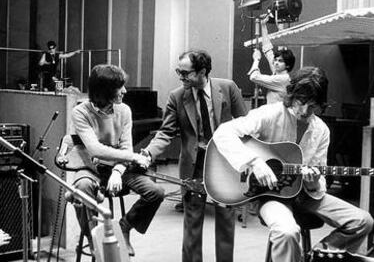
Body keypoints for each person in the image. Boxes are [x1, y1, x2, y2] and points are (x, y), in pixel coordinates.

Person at [213, 66, 374, 262]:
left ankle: (320, 256)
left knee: (362, 221)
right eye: (301, 102)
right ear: (292, 96)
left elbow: (318, 179)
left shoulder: (321, 131)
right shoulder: (270, 114)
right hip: (269, 195)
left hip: (304, 195)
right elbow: (223, 132)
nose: (305, 111)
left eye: (313, 105)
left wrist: (313, 181)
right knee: (287, 231)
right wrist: (254, 162)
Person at [141, 49, 247, 262]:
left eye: (185, 73)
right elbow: (165, 132)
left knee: (226, 221)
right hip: (194, 164)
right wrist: (148, 153)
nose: (181, 77)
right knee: (192, 222)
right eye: (178, 72)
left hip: (225, 164)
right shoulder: (177, 96)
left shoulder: (228, 88)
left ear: (203, 71)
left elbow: (246, 124)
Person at [70, 64, 164, 256]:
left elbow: (126, 147)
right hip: (91, 167)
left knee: (156, 192)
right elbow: (95, 150)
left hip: (119, 168)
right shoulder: (80, 112)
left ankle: (125, 227)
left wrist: (117, 172)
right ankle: (93, 240)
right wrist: (133, 157)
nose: (125, 91)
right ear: (104, 91)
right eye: (119, 87)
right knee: (81, 188)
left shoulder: (124, 110)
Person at [248, 17, 295, 104]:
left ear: (287, 65)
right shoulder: (277, 72)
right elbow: (267, 49)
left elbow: (254, 77)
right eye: (276, 60)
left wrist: (256, 60)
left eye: (280, 61)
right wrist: (263, 25)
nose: (276, 63)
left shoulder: (282, 79)